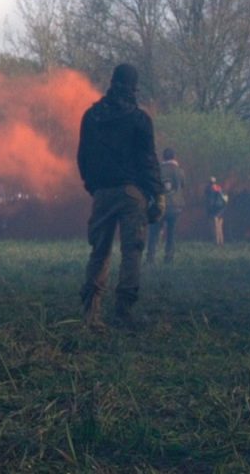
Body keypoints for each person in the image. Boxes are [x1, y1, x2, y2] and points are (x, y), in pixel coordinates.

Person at [76, 63, 165, 330]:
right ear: (134, 87)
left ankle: (91, 314)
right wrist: (157, 194)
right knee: (132, 252)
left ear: (112, 81)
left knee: (99, 252)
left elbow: (83, 158)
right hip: (132, 193)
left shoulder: (91, 116)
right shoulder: (139, 119)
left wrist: (94, 187)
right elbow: (148, 161)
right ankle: (124, 312)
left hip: (102, 192)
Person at [146, 148, 186, 265]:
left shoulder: (157, 170)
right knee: (171, 233)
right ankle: (169, 258)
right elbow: (182, 186)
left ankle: (150, 258)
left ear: (163, 157)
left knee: (154, 233)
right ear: (174, 157)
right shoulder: (180, 171)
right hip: (176, 206)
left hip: (160, 205)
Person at [204, 177, 227, 246]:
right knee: (220, 227)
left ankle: (216, 243)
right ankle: (221, 242)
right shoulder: (219, 188)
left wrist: (209, 211)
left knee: (215, 227)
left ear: (209, 183)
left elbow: (210, 202)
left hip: (214, 210)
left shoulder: (210, 190)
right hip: (222, 209)